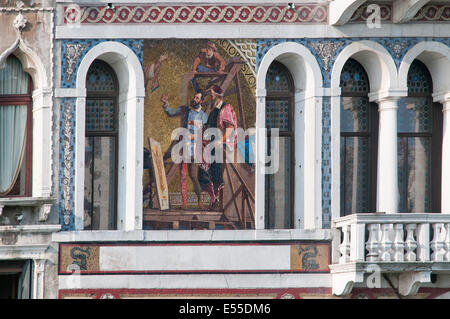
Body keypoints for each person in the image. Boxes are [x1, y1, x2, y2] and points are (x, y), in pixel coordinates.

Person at [161, 91, 208, 209]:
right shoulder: (186, 110)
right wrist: (166, 103)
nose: (194, 99)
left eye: (197, 98)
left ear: (201, 101)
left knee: (193, 175)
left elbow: (204, 133)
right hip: (183, 147)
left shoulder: (203, 116)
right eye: (194, 97)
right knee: (182, 175)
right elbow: (171, 112)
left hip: (194, 149)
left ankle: (200, 201)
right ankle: (184, 204)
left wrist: (195, 135)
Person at [199, 85, 237, 210]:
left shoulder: (226, 108)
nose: (211, 96)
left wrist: (221, 141)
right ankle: (213, 197)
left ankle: (216, 197)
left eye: (212, 94)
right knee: (202, 171)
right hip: (210, 145)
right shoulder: (214, 110)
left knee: (215, 172)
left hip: (219, 145)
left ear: (216, 95)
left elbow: (230, 128)